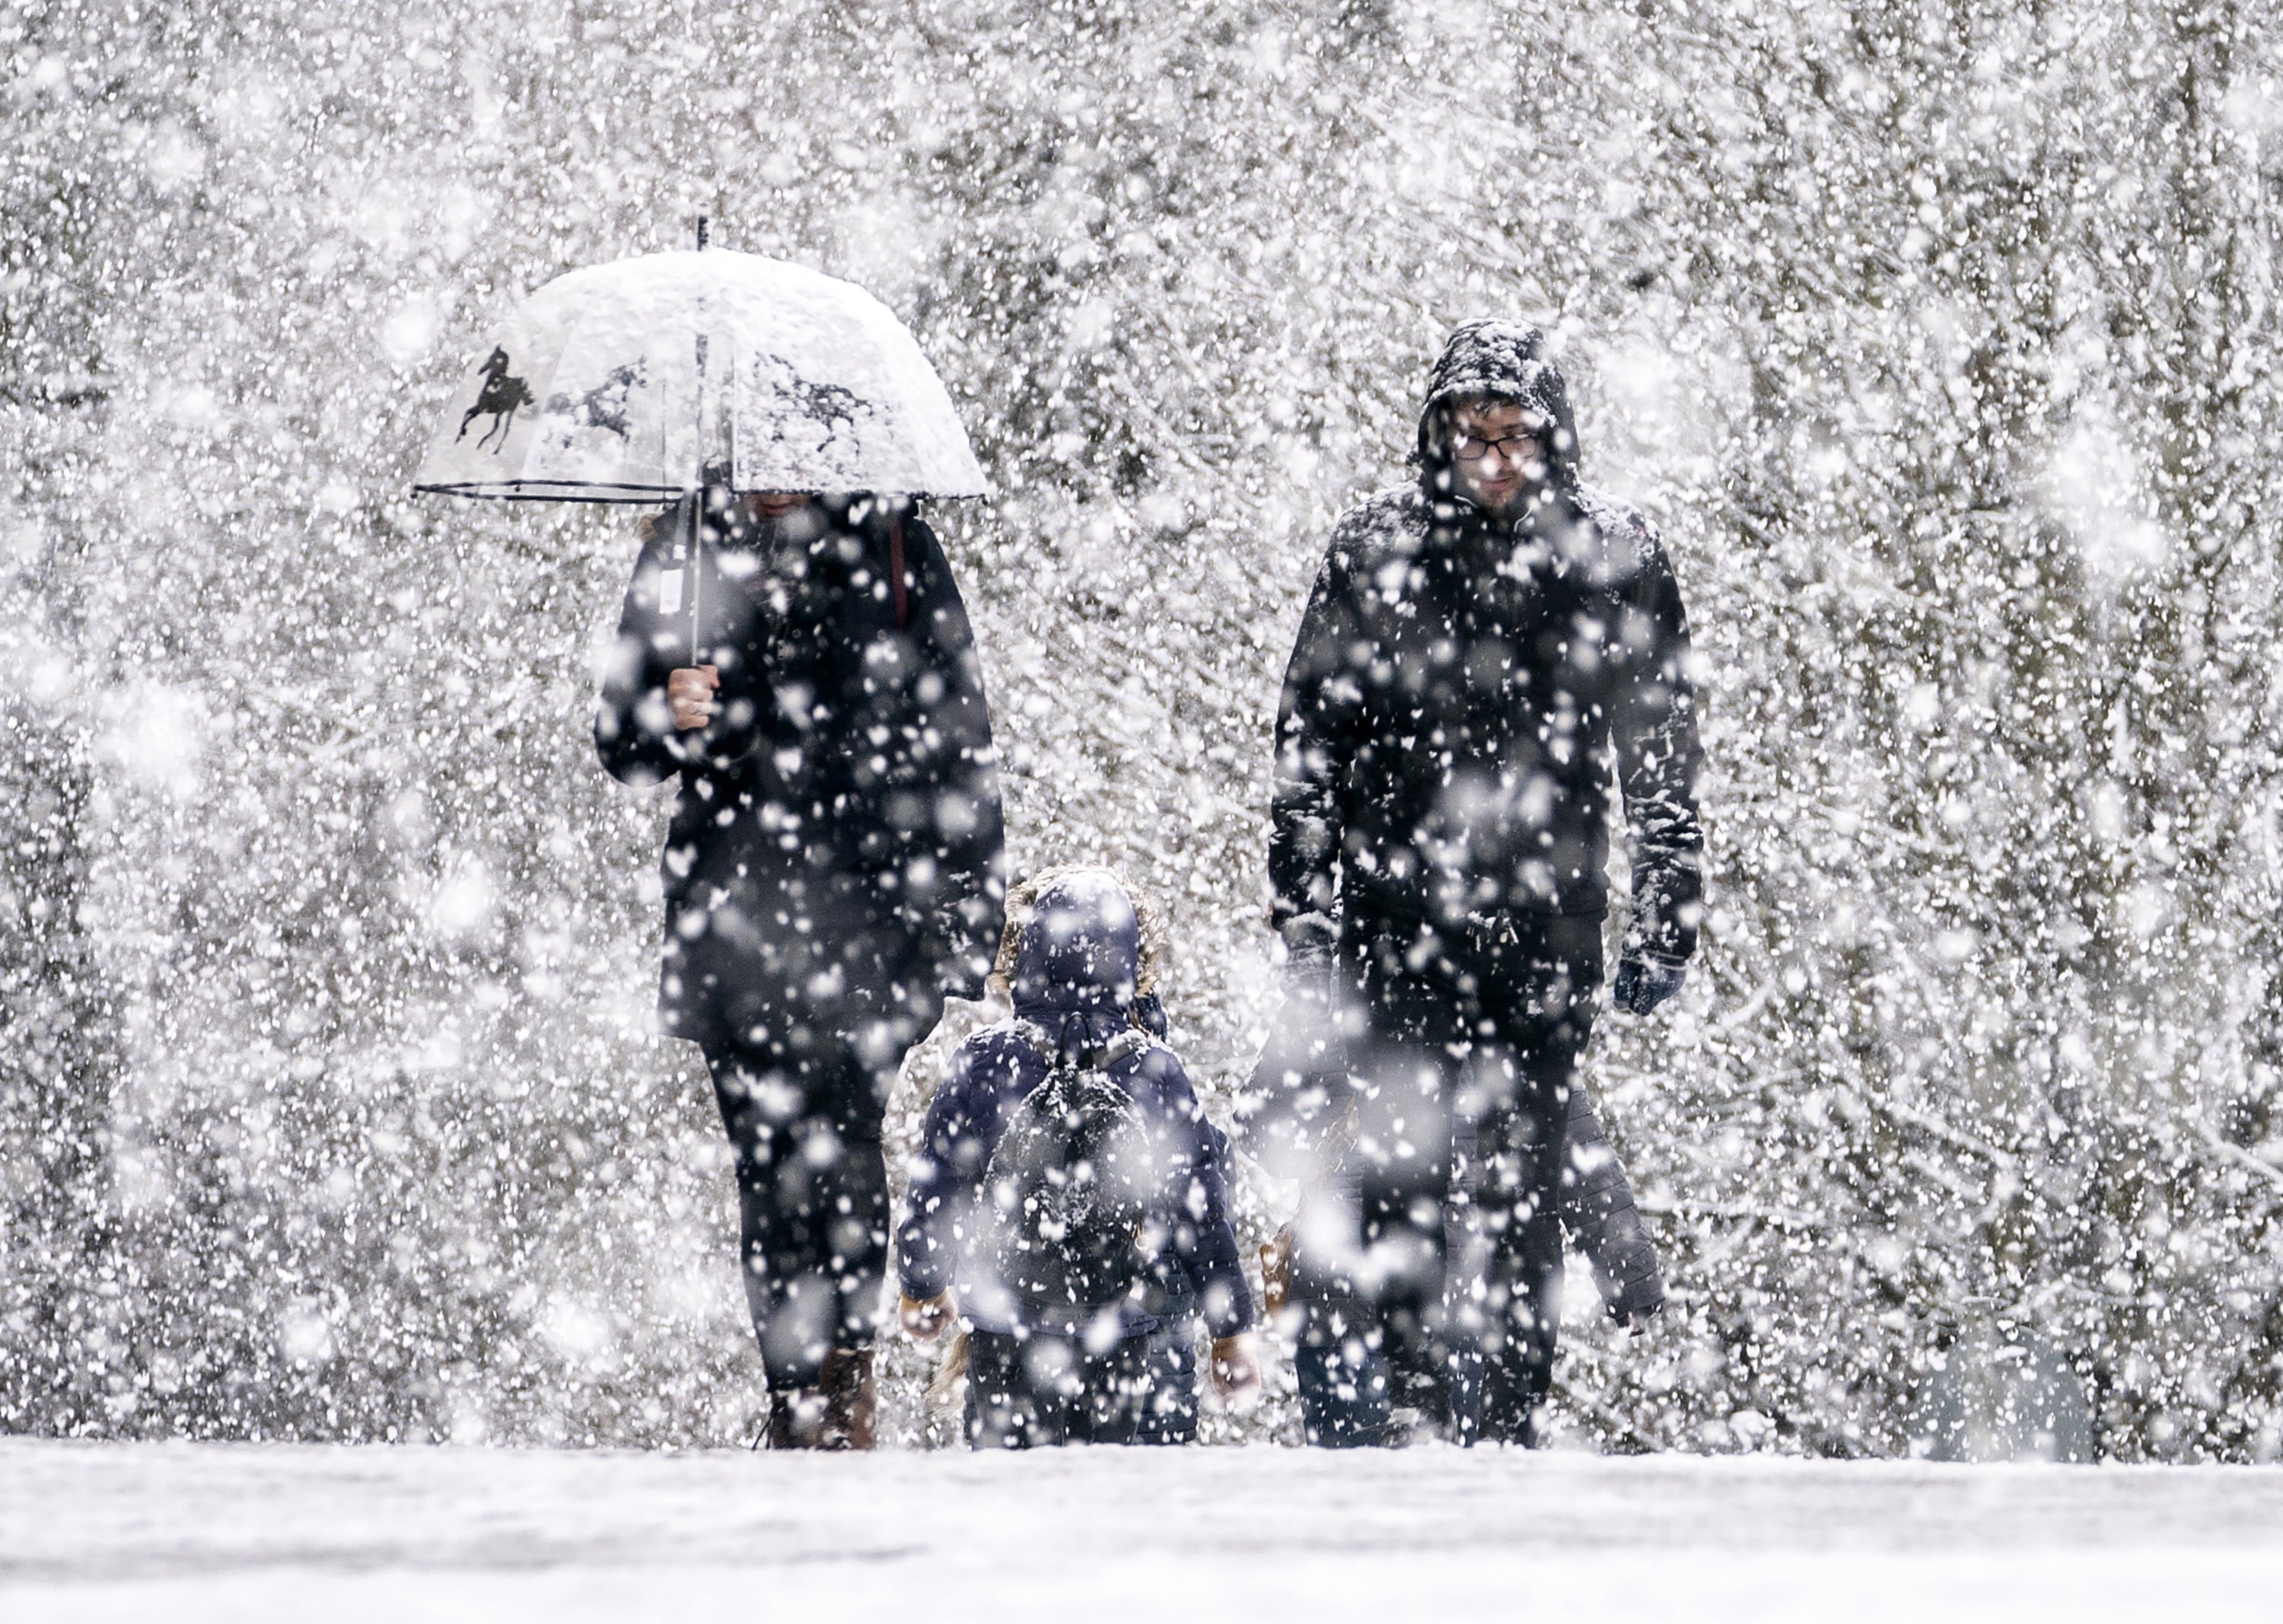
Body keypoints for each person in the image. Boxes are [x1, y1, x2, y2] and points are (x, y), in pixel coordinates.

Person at [1243, 320, 1702, 1447]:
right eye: (1474, 434)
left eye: (1517, 435)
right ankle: (1404, 1403)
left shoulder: (1612, 562)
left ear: (1554, 439)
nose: (1495, 457)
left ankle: (1503, 1413)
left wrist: (1670, 908)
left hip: (1547, 930)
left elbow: (1663, 758)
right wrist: (1305, 922)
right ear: (1438, 437)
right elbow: (1309, 755)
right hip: (1397, 924)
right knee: (1399, 1172)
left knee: (1522, 1183)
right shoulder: (1374, 555)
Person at [595, 487, 1005, 1448]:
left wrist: (962, 928)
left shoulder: (899, 546)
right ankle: (797, 1398)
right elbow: (623, 742)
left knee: (845, 1149)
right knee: (768, 1172)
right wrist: (666, 708)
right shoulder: (685, 549)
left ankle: (841, 1385)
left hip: (869, 917)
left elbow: (961, 739)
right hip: (734, 922)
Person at [896, 867, 1259, 1447]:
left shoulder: (985, 1060)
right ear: (1133, 963)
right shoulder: (1155, 1068)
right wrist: (1229, 1330)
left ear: (1025, 953)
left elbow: (940, 1185)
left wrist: (922, 1282)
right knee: (1110, 1495)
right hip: (1119, 1326)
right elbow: (1203, 1212)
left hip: (1003, 1324)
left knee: (1004, 1497)